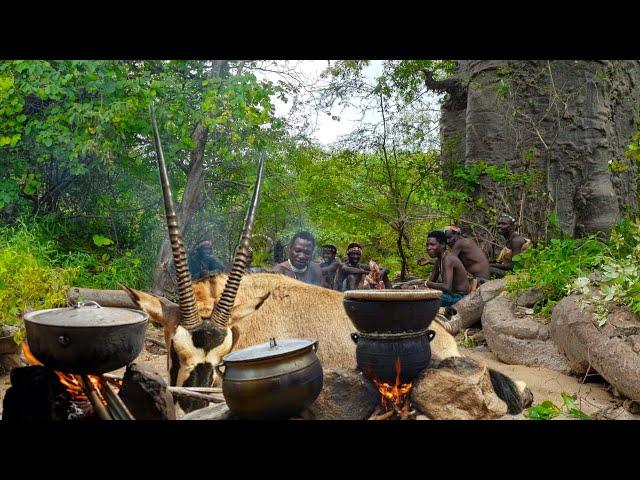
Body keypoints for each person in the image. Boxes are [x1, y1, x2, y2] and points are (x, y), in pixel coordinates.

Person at [425, 230, 470, 307]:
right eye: (427, 245)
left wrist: (426, 283)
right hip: (448, 295)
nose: (429, 248)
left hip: (459, 297)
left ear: (442, 244)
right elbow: (431, 281)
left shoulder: (448, 259)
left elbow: (447, 287)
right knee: (418, 293)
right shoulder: (438, 260)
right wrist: (420, 286)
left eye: (432, 244)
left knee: (426, 299)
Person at [489, 214, 533, 278]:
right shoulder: (510, 239)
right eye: (499, 224)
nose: (499, 226)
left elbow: (513, 266)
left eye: (503, 224)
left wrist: (490, 265)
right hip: (511, 271)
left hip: (517, 274)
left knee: (488, 268)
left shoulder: (516, 241)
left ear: (511, 227)